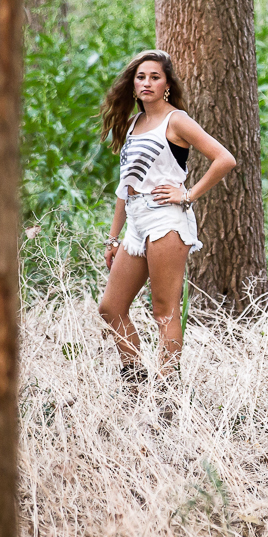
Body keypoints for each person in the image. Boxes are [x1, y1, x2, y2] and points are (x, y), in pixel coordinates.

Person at [97, 49, 236, 385]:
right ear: (133, 85)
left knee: (164, 311)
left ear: (167, 86)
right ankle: (136, 380)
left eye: (155, 77)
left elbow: (225, 159)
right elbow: (124, 186)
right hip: (136, 222)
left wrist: (187, 194)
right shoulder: (133, 123)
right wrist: (114, 237)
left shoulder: (177, 120)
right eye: (141, 77)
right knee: (111, 307)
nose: (147, 82)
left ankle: (167, 393)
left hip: (167, 222)